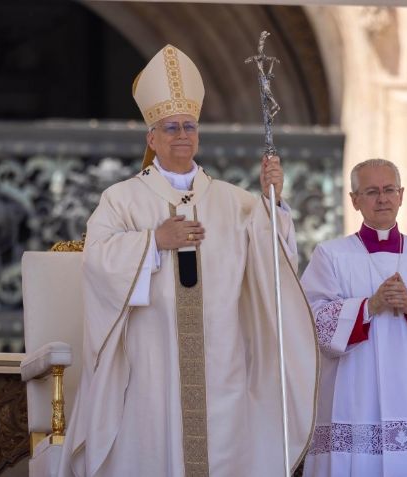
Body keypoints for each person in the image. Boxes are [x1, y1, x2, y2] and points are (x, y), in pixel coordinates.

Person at [58, 45, 318, 477]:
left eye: (190, 126)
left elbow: (273, 266)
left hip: (222, 359)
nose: (182, 134)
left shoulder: (236, 202)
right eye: (171, 127)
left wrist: (273, 205)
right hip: (151, 361)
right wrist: (154, 241)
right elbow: (97, 262)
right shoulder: (121, 200)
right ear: (151, 138)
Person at [300, 158, 407, 477]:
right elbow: (311, 316)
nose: (382, 198)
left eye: (389, 189)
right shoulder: (331, 255)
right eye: (371, 191)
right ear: (354, 200)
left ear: (401, 195)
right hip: (355, 393)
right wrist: (369, 306)